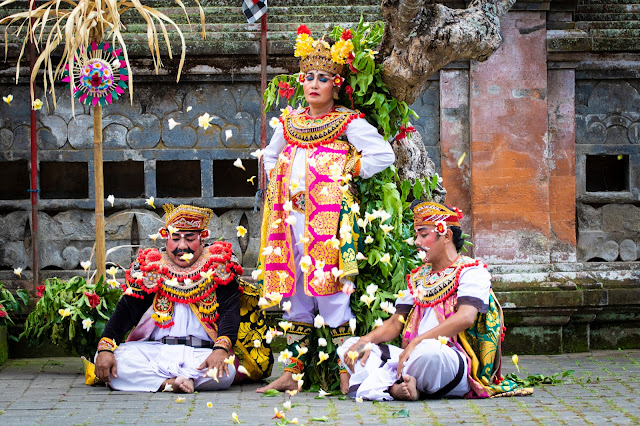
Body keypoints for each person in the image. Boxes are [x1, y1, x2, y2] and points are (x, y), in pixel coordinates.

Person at [256, 27, 396, 392]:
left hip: (327, 222)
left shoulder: (347, 122)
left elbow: (383, 154)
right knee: (295, 298)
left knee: (332, 296)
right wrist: (282, 182)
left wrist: (346, 169)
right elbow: (270, 157)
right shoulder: (289, 122)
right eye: (308, 78)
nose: (313, 84)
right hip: (288, 221)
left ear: (335, 84)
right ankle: (292, 374)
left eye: (323, 78)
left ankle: (346, 373)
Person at [338, 201, 530, 400]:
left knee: (431, 353)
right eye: (417, 236)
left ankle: (388, 386)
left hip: (450, 360)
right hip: (413, 357)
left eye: (423, 235)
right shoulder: (418, 277)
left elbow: (466, 317)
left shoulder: (471, 271)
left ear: (446, 235)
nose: (418, 242)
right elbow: (396, 323)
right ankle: (400, 387)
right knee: (351, 345)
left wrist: (418, 342)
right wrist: (365, 341)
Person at [94, 204, 272, 393]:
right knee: (113, 360)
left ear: (202, 239)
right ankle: (172, 383)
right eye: (175, 238)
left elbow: (230, 309)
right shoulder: (153, 267)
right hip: (156, 350)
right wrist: (106, 348)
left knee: (225, 372)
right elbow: (127, 310)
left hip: (202, 354)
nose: (182, 246)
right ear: (166, 239)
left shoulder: (218, 264)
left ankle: (163, 381)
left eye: (189, 238)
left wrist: (220, 349)